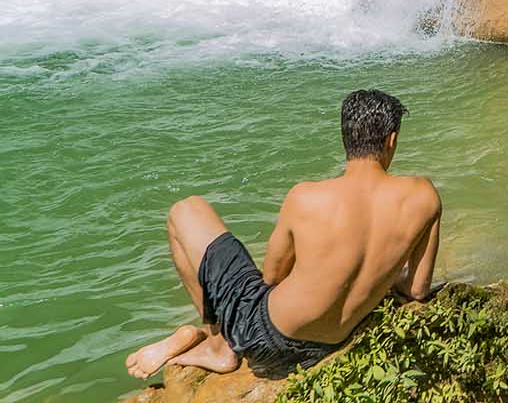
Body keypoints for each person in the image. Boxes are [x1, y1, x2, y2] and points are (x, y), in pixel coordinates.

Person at [124, 90, 442, 380]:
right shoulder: (424, 198)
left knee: (185, 210)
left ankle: (220, 346)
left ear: (346, 138)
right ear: (392, 139)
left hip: (264, 339)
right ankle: (210, 341)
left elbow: (272, 276)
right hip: (330, 345)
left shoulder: (305, 197)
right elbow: (417, 289)